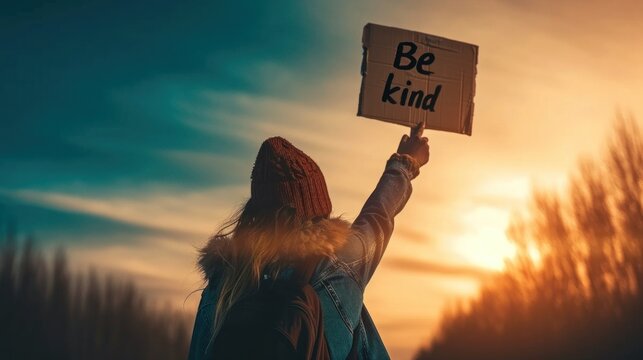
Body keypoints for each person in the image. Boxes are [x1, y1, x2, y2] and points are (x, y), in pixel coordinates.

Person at [188, 122, 430, 359]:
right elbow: (378, 215)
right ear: (314, 208)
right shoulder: (337, 262)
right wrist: (405, 162)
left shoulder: (222, 284)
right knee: (356, 314)